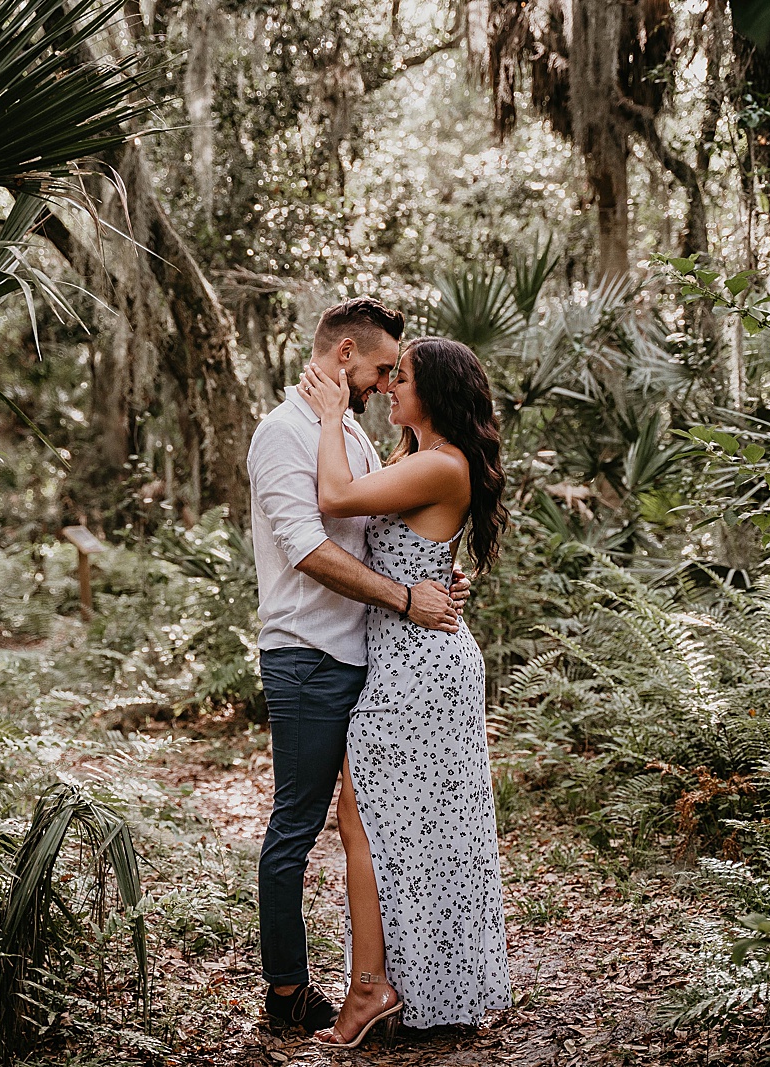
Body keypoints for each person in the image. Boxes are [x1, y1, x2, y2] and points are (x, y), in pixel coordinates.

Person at [247, 298, 470, 1035]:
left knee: (373, 828)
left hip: (375, 665)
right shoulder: (283, 434)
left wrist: (438, 578)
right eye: (380, 369)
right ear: (344, 356)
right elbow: (309, 549)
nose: (384, 385)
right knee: (300, 824)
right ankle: (286, 993)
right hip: (309, 658)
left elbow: (384, 536)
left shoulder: (353, 437)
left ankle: (403, 984)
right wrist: (408, 598)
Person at [297, 336, 512, 1047]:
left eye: (404, 376)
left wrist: (330, 414)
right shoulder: (420, 460)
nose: (390, 384)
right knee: (399, 825)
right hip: (408, 654)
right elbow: (408, 550)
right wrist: (440, 577)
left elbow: (333, 498)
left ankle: (373, 988)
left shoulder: (441, 464)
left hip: (420, 665)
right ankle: (414, 985)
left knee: (364, 817)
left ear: (438, 391)